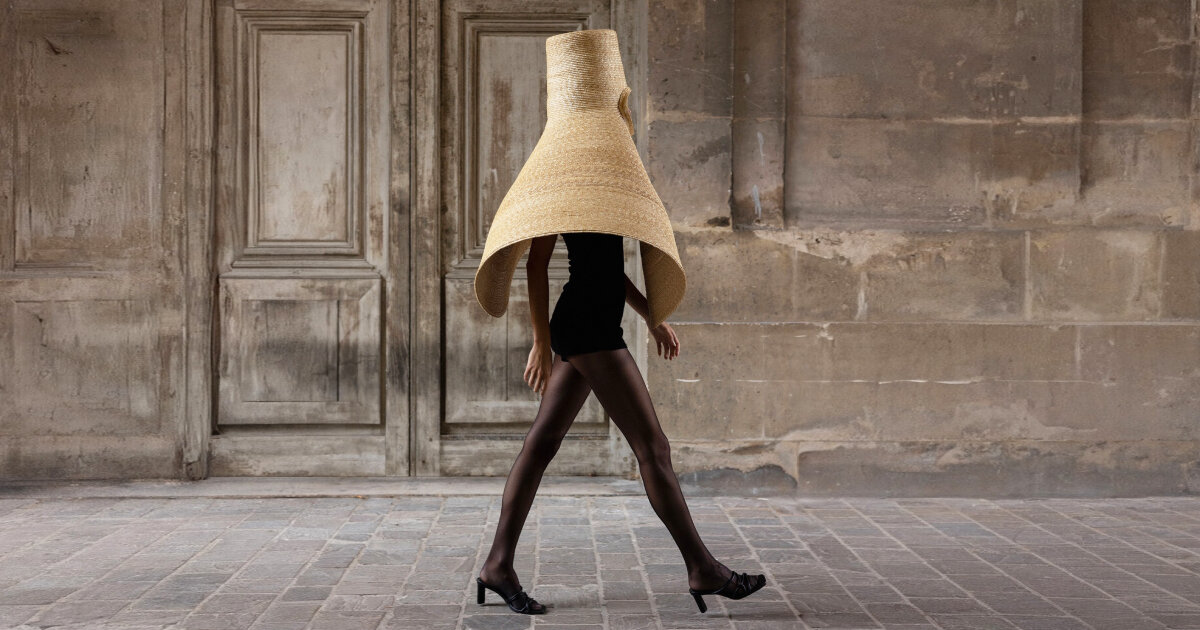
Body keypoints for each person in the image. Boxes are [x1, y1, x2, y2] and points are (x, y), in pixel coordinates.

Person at [474, 230, 766, 615]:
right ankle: (703, 569)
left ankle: (497, 565)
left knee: (542, 443)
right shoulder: (560, 195)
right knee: (653, 449)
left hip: (592, 323)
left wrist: (651, 315)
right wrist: (541, 342)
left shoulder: (607, 197)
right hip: (589, 329)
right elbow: (536, 263)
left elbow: (607, 268)